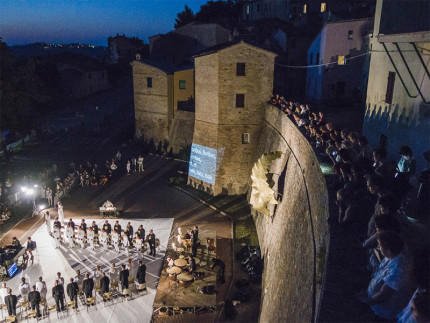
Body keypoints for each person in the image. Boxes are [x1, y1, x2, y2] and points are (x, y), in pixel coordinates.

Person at [357, 231, 414, 320]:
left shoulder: (398, 271)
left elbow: (383, 295)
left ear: (388, 250)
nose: (378, 248)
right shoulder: (393, 256)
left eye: (380, 245)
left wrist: (367, 300)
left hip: (384, 309)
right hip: (374, 297)